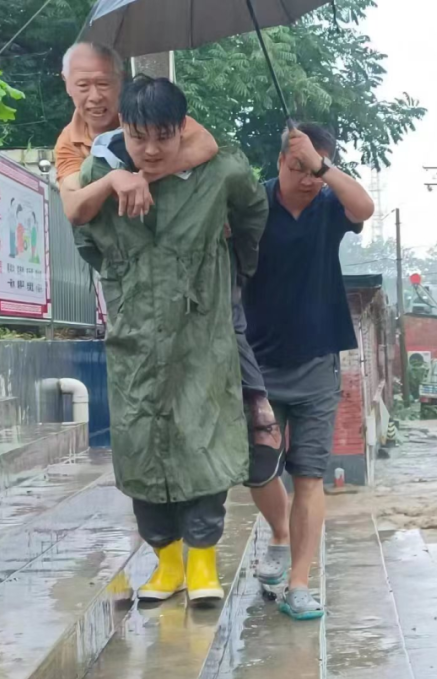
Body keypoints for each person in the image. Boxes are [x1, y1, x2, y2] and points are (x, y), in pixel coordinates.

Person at [76, 76, 269, 604]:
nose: (152, 150)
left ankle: (202, 565)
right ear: (123, 128)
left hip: (200, 337)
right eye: (139, 137)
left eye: (164, 136)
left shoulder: (219, 171)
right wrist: (123, 280)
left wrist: (234, 269)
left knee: (204, 443)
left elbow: (253, 212)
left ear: (183, 128)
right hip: (135, 342)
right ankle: (167, 565)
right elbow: (84, 235)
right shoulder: (100, 174)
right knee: (141, 449)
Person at [55, 41, 283, 487]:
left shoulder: (158, 109)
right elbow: (77, 213)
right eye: (83, 85)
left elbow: (208, 150)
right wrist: (115, 180)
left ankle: (257, 406)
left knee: (225, 329)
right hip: (137, 287)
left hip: (198, 266)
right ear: (66, 85)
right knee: (147, 405)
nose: (95, 96)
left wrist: (148, 174)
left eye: (104, 83)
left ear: (120, 83)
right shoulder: (72, 146)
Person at [243, 123, 374, 620]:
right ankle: (280, 532)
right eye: (297, 167)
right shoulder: (254, 205)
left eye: (315, 171)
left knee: (310, 475)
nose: (306, 179)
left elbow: (364, 207)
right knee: (257, 467)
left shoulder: (329, 207)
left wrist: (323, 169)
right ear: (279, 161)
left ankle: (299, 583)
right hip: (258, 361)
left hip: (318, 361)